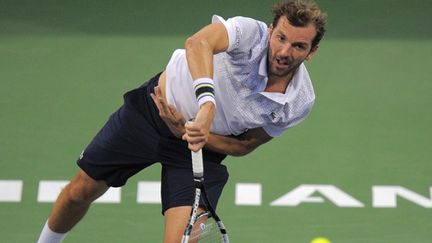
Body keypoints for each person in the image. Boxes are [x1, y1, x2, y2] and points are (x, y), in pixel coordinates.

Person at [37, 0, 327, 242]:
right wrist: (207, 101)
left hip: (200, 149)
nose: (285, 52)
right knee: (79, 192)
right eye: (281, 38)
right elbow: (198, 42)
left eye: (299, 46)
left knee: (180, 240)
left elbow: (245, 145)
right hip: (151, 113)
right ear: (270, 31)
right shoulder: (248, 33)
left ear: (312, 52)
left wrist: (192, 133)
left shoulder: (299, 101)